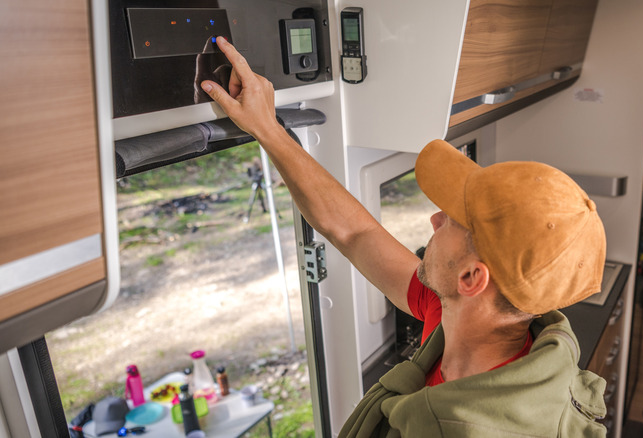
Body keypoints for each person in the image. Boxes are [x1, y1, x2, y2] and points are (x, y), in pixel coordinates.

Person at [201, 37, 608, 438]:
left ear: (471, 278)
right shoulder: (458, 319)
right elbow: (354, 231)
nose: (434, 219)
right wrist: (268, 129)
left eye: (451, 221)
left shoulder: (460, 428)